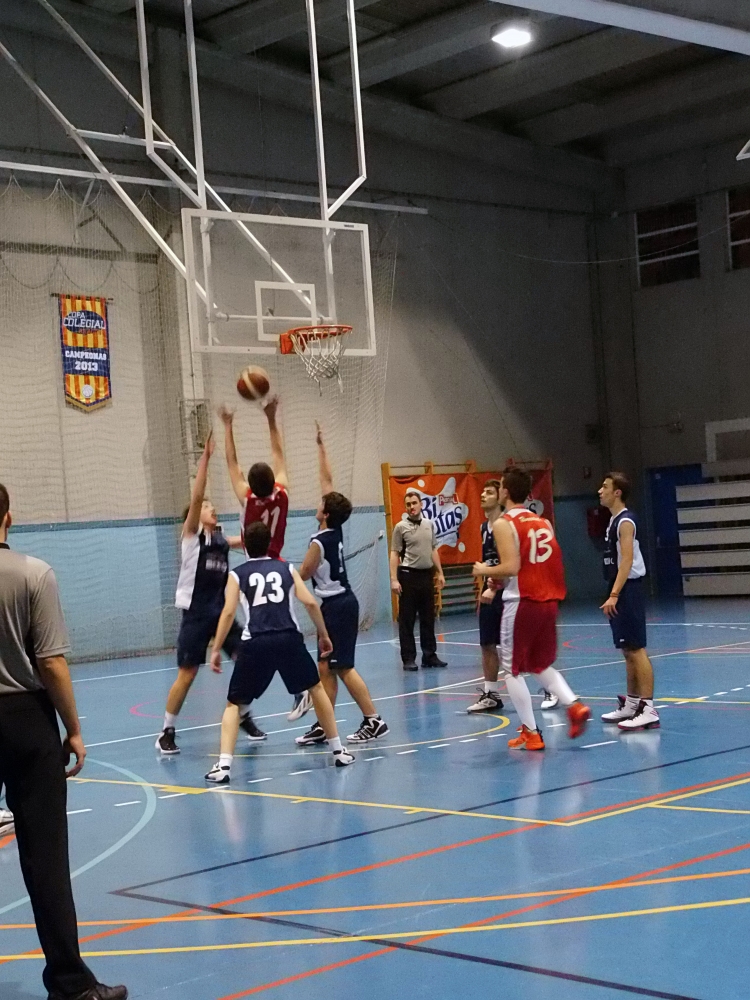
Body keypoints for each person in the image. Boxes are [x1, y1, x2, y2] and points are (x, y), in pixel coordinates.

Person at [0, 483, 127, 1000]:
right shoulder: (34, 574)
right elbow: (51, 662)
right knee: (45, 856)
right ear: (8, 517)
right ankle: (71, 986)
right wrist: (73, 729)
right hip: (25, 721)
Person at [204, 521, 355, 782]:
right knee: (316, 689)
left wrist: (216, 648)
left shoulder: (237, 574)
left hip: (256, 643)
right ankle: (338, 751)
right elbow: (310, 602)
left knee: (234, 704)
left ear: (245, 545)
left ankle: (224, 766)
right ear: (270, 544)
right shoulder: (286, 568)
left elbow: (228, 612)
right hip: (288, 639)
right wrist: (324, 635)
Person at [156, 433, 265, 755]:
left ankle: (243, 713)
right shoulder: (191, 537)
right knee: (187, 674)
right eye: (206, 506)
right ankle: (166, 731)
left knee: (247, 660)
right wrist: (205, 459)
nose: (211, 507)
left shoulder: (220, 540)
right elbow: (196, 496)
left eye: (212, 506)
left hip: (221, 615)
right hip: (196, 615)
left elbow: (250, 539)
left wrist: (262, 508)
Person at [472, 468, 590, 751]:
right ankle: (574, 705)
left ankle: (532, 732)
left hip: (522, 601)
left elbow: (512, 566)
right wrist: (497, 582)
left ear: (505, 491)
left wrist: (484, 571)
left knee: (511, 670)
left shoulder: (504, 523)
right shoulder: (542, 522)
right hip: (548, 601)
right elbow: (534, 562)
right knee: (538, 664)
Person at [295, 423, 388, 746]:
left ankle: (374, 720)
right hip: (336, 605)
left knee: (343, 667)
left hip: (338, 606)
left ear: (325, 513)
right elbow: (328, 483)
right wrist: (321, 447)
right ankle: (326, 724)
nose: (318, 502)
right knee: (325, 668)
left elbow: (303, 573)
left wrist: (276, 569)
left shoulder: (319, 541)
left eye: (322, 503)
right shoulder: (333, 530)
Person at [219, 398, 310, 723]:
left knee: (263, 635)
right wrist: (271, 418)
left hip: (255, 569)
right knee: (276, 633)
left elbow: (232, 463)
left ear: (251, 485)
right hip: (278, 566)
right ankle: (285, 692)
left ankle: (284, 692)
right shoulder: (283, 494)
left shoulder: (247, 499)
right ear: (273, 482)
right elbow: (279, 454)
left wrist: (228, 425)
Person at [599, 472, 659, 731]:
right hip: (619, 587)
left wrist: (614, 594)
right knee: (627, 650)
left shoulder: (625, 521)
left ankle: (649, 708)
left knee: (636, 649)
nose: (600, 491)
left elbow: (626, 560)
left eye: (605, 487)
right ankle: (632, 704)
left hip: (628, 589)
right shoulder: (613, 521)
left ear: (617, 492)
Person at [390, 490, 447, 670]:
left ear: (421, 504)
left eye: (414, 503)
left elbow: (433, 549)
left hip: (426, 576)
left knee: (428, 618)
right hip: (408, 576)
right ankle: (408, 658)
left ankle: (429, 656)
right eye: (408, 504)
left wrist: (440, 573)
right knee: (407, 619)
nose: (411, 507)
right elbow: (394, 553)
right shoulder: (400, 527)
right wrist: (394, 579)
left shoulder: (429, 524)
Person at [467, 480, 506, 713]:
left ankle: (550, 687)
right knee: (487, 643)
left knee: (517, 646)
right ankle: (491, 694)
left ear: (500, 497)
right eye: (482, 491)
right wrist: (486, 586)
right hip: (490, 589)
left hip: (508, 590)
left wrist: (496, 586)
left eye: (489, 492)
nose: (483, 495)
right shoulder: (484, 527)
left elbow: (512, 562)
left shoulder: (506, 524)